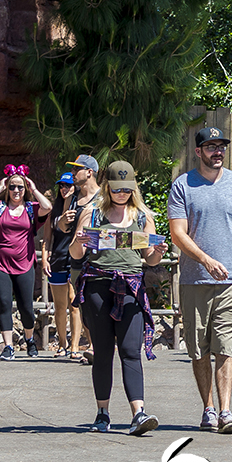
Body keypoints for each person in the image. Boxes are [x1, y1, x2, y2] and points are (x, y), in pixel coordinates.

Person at [165, 126, 232, 435]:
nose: (217, 151)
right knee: (199, 350)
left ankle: (225, 410)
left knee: (226, 346)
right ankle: (207, 408)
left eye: (221, 146)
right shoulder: (183, 186)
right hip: (195, 280)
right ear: (198, 152)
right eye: (210, 146)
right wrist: (206, 260)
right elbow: (178, 233)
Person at [70, 159, 165, 435]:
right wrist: (78, 241)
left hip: (131, 287)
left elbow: (149, 259)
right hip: (99, 285)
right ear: (107, 187)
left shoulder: (144, 217)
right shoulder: (92, 214)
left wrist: (158, 251)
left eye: (126, 189)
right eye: (116, 189)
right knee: (102, 352)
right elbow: (76, 255)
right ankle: (102, 413)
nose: (121, 194)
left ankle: (139, 413)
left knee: (130, 350)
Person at [0, 167, 51, 359]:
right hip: (0, 263)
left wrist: (33, 189)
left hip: (25, 264)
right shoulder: (1, 207)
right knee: (4, 304)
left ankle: (29, 340)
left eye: (20, 187)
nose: (16, 191)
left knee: (26, 306)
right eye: (12, 187)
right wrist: (0, 186)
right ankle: (8, 346)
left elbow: (48, 207)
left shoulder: (31, 208)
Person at [46, 167, 96, 360]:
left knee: (77, 304)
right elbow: (49, 237)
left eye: (69, 185)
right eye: (62, 186)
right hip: (59, 258)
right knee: (60, 306)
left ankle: (78, 345)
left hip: (78, 259)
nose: (65, 188)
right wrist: (46, 257)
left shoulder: (85, 202)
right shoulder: (59, 208)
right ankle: (62, 344)